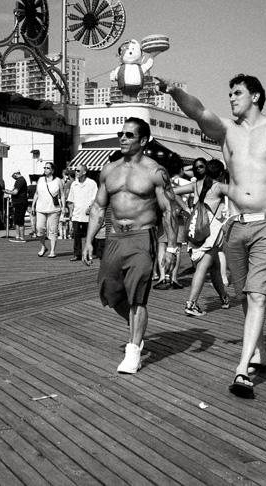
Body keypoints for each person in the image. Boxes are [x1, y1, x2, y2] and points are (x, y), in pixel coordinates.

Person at [157, 73, 266, 399]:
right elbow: (198, 112)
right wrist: (175, 92)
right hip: (235, 225)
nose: (231, 98)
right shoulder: (227, 132)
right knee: (245, 294)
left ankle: (242, 371)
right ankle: (259, 351)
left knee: (257, 295)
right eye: (229, 93)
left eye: (238, 93)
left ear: (256, 96)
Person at [82, 117, 178, 374]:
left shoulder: (155, 171)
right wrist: (90, 240)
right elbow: (99, 207)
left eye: (129, 135)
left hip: (141, 238)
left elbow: (169, 210)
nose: (122, 138)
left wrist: (171, 248)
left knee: (137, 296)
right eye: (120, 134)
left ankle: (133, 350)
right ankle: (137, 326)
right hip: (113, 238)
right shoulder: (108, 169)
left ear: (143, 140)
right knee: (109, 292)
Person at [173, 158, 230, 316]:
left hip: (197, 227)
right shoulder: (219, 186)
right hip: (211, 231)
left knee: (216, 267)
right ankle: (191, 304)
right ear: (220, 173)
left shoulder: (196, 185)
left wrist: (187, 209)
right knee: (203, 266)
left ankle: (223, 297)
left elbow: (171, 192)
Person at [154, 157, 192, 289]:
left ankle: (163, 277)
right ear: (181, 169)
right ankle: (174, 278)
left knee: (161, 247)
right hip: (179, 219)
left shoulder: (163, 183)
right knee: (177, 248)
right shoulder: (185, 183)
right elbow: (187, 204)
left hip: (164, 217)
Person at [31, 162, 64, 258]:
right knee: (39, 228)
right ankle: (43, 247)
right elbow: (36, 193)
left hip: (54, 209)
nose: (45, 169)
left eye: (48, 168)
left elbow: (62, 194)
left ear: (53, 170)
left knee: (53, 230)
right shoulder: (40, 180)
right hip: (40, 208)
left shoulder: (58, 180)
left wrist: (63, 206)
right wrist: (33, 205)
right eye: (44, 167)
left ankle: (53, 250)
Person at [67, 164, 98, 261]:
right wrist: (71, 213)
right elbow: (71, 200)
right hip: (77, 213)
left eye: (78, 171)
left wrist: (90, 207)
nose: (76, 172)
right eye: (75, 170)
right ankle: (77, 254)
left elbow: (95, 197)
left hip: (88, 214)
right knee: (76, 235)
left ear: (84, 172)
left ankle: (93, 252)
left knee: (90, 234)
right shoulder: (74, 184)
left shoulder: (91, 183)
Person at [4, 170, 28, 241]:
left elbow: (15, 192)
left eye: (13, 176)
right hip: (19, 202)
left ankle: (21, 237)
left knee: (20, 220)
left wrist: (7, 191)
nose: (13, 178)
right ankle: (18, 236)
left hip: (20, 202)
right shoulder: (21, 180)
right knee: (17, 220)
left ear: (15, 174)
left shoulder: (20, 181)